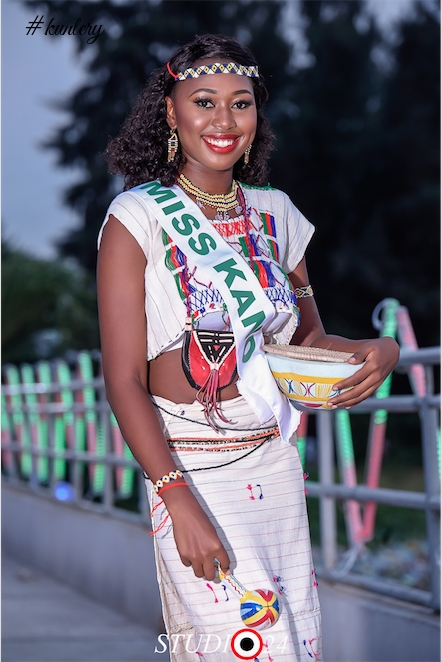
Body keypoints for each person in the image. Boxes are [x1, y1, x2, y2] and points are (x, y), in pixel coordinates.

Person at [97, 34, 399, 662]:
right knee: (240, 646)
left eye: (241, 103)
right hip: (192, 467)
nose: (223, 120)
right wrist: (174, 496)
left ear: (258, 115)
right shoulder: (138, 217)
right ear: (171, 112)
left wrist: (383, 349)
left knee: (289, 642)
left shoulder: (276, 214)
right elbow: (123, 379)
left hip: (272, 460)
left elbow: (306, 338)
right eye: (204, 101)